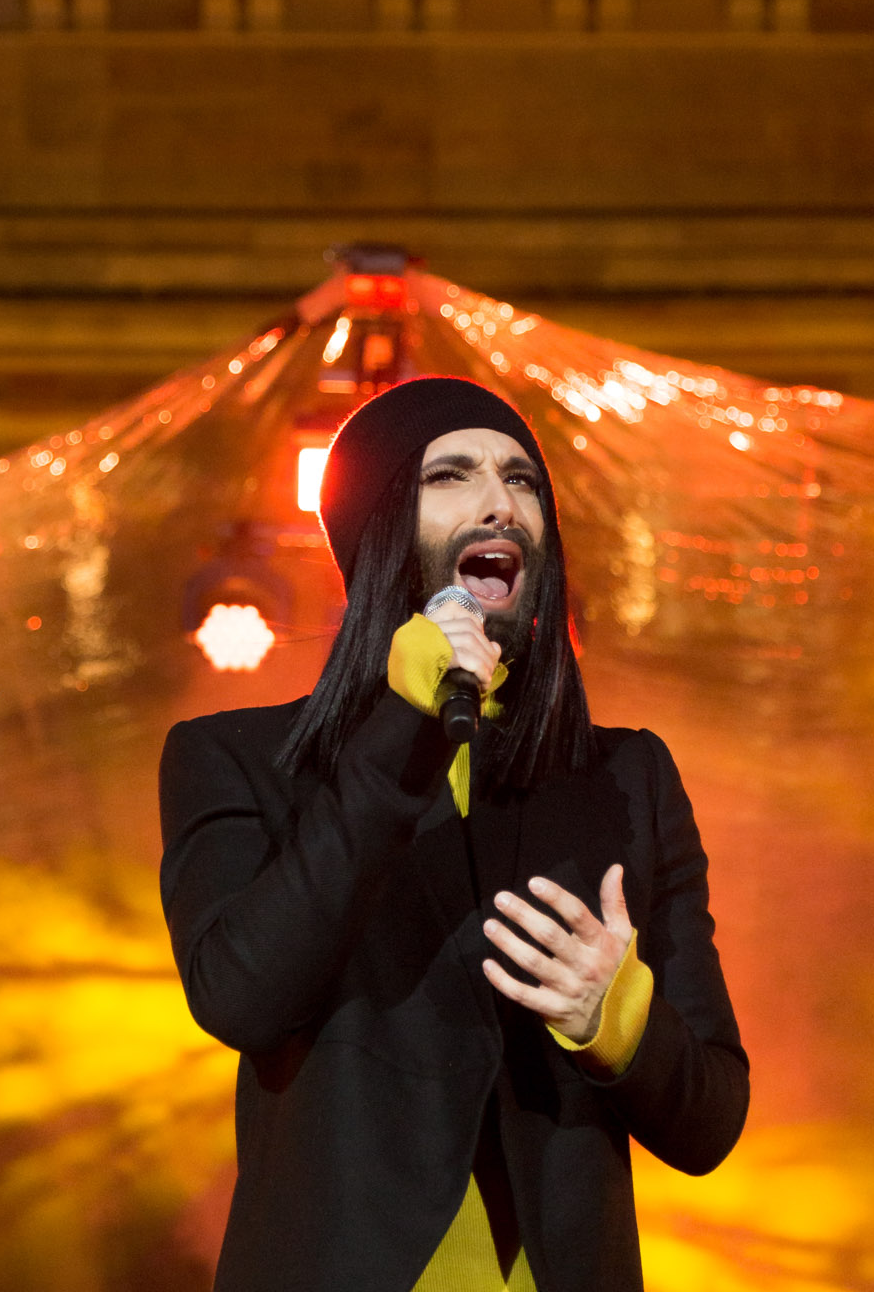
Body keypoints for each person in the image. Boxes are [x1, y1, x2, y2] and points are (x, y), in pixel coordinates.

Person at [160, 377, 748, 1291]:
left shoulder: (623, 777)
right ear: (379, 527)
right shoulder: (235, 758)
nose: (499, 504)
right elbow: (240, 996)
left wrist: (614, 1017)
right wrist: (404, 728)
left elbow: (711, 1120)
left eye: (522, 481)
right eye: (452, 476)